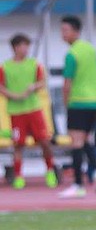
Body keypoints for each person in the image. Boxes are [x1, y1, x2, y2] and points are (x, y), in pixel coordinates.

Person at [0, 34, 57, 189]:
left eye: (27, 46)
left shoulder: (34, 64)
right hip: (16, 112)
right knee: (18, 145)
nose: (25, 49)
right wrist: (14, 95)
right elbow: (1, 86)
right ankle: (18, 176)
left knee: (44, 141)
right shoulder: (5, 67)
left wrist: (33, 87)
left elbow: (42, 82)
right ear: (15, 47)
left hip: (34, 109)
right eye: (22, 46)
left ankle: (50, 171)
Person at [58, 16, 96, 198]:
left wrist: (66, 103)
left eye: (65, 30)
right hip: (93, 102)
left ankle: (78, 184)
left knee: (76, 142)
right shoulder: (91, 50)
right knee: (85, 140)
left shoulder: (72, 54)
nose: (63, 34)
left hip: (78, 102)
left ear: (76, 31)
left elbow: (67, 83)